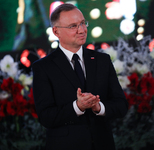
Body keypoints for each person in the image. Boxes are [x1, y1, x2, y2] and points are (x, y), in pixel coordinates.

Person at [32, 3, 128, 150]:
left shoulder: (102, 61)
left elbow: (121, 106)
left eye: (83, 23)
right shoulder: (43, 68)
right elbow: (46, 117)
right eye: (73, 26)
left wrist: (98, 107)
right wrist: (77, 107)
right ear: (56, 32)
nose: (82, 30)